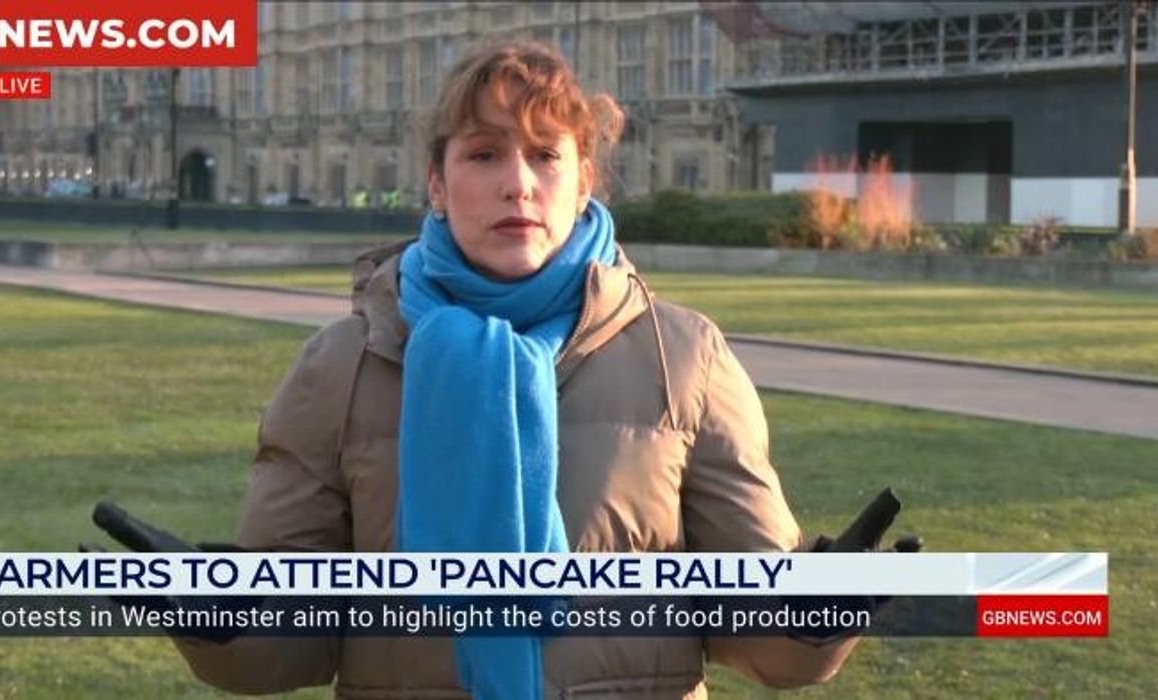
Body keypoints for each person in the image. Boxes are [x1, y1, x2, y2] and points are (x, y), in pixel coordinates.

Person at [174, 40, 863, 698]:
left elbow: (756, 631)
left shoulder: (682, 356)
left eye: (544, 155)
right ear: (436, 183)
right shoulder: (340, 366)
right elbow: (288, 642)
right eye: (483, 155)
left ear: (584, 180)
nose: (518, 185)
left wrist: (816, 613)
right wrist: (218, 621)